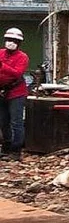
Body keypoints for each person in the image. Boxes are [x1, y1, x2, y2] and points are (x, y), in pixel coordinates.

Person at [0, 28, 30, 160]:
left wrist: (2, 66)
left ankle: (16, 150)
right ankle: (6, 147)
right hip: (1, 91)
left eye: (14, 41)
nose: (10, 42)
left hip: (16, 93)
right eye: (8, 40)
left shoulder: (22, 57)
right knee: (3, 121)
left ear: (19, 43)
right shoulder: (0, 53)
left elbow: (17, 73)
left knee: (16, 122)